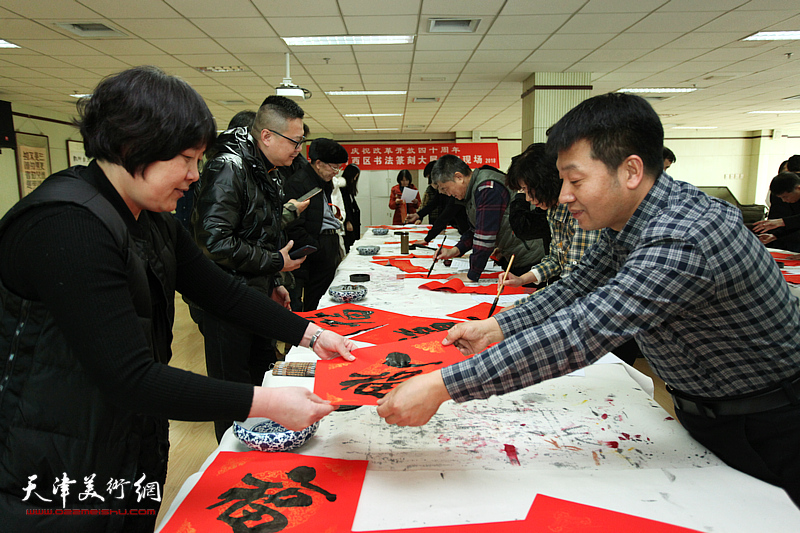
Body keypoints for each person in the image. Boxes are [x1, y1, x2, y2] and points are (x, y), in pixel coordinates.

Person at [376, 92, 800, 507]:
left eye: (575, 180)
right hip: (706, 409)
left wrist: (442, 386)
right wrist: (498, 326)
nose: (563, 195)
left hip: (771, 422)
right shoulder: (632, 220)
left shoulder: (682, 236)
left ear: (631, 170)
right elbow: (577, 286)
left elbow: (583, 329)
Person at [0, 66, 355, 532]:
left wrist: (309, 334)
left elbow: (217, 289)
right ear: (133, 148)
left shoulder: (148, 215)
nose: (193, 176)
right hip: (53, 451)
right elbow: (130, 376)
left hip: (123, 435)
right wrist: (266, 403)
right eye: (186, 160)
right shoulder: (69, 225)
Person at [193, 94, 311, 442]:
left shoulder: (268, 172)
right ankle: (232, 466)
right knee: (232, 391)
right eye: (295, 142)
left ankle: (262, 448)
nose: (298, 151)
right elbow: (214, 243)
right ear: (267, 137)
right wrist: (277, 262)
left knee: (264, 376)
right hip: (223, 300)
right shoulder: (228, 167)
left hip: (254, 294)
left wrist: (274, 279)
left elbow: (263, 235)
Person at [429, 155, 545, 281]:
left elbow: (485, 236)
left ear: (459, 177)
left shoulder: (487, 188)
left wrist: (472, 275)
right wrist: (455, 251)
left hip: (530, 256)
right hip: (516, 254)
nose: (449, 195)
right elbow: (476, 229)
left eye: (445, 189)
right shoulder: (474, 190)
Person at [502, 143, 599, 288]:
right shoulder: (553, 209)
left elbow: (575, 281)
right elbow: (555, 259)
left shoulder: (580, 211)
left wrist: (525, 304)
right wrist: (521, 280)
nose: (527, 198)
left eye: (527, 190)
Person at [284, 138, 349, 311]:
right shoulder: (299, 183)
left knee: (325, 298)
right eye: (334, 167)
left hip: (326, 246)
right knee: (313, 302)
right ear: (318, 163)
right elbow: (293, 225)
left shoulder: (322, 181)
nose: (336, 172)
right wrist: (316, 248)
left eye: (339, 168)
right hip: (312, 251)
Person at [341, 163, 362, 253]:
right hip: (349, 221)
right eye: (354, 177)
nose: (354, 180)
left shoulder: (349, 189)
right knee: (349, 244)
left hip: (354, 220)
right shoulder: (343, 189)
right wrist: (348, 221)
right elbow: (345, 206)